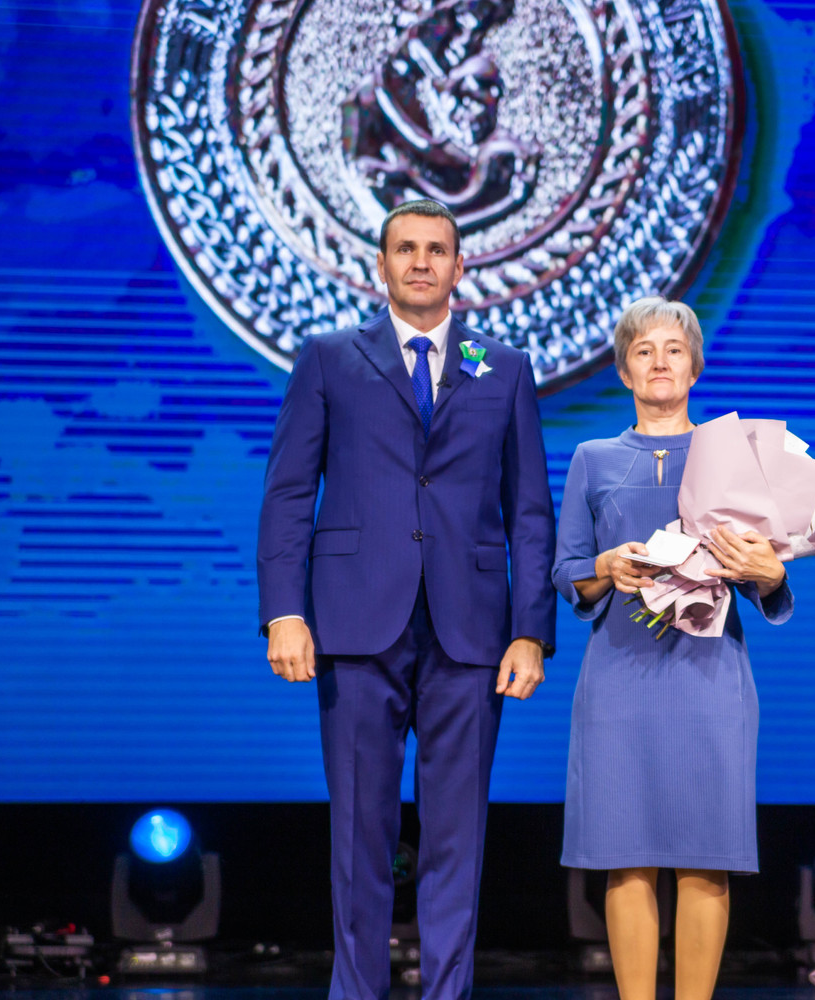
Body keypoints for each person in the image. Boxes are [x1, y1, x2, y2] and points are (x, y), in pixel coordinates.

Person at [256, 199, 557, 1000]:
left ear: (461, 266)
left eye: (436, 249)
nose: (421, 262)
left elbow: (530, 510)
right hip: (356, 624)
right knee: (361, 832)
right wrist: (285, 611)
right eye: (405, 249)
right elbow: (289, 492)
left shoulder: (503, 366)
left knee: (459, 836)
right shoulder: (330, 358)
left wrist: (531, 630)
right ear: (381, 265)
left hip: (472, 631)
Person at [552, 297, 793, 1000]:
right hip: (618, 677)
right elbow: (568, 572)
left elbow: (769, 576)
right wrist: (606, 567)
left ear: (695, 368)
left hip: (709, 676)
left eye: (674, 350)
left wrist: (769, 571)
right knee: (624, 858)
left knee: (705, 857)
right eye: (644, 350)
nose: (660, 362)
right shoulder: (593, 459)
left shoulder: (736, 458)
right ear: (624, 370)